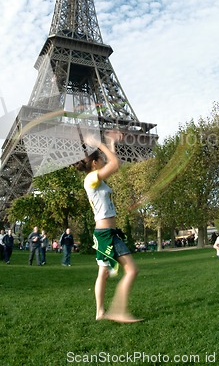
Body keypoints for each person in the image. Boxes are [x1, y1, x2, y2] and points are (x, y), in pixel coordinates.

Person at [76, 130, 142, 323]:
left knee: (105, 274)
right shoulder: (90, 179)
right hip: (105, 234)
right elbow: (114, 163)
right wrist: (100, 143)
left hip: (110, 232)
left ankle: (102, 312)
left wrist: (111, 143)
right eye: (101, 159)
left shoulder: (98, 180)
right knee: (129, 271)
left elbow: (114, 164)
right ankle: (115, 311)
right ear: (95, 163)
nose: (104, 160)